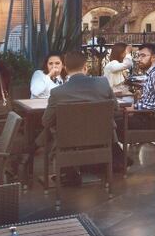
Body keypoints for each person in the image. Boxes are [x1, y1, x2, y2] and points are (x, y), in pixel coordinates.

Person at [42, 50, 124, 179]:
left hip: (69, 143)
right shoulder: (103, 84)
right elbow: (115, 109)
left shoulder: (58, 93)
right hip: (101, 140)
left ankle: (65, 170)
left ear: (65, 68)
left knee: (48, 132)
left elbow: (46, 121)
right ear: (85, 67)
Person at [128, 44, 155, 130]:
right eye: (139, 56)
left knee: (111, 122)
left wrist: (135, 107)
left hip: (150, 121)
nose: (139, 59)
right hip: (143, 115)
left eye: (143, 56)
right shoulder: (151, 73)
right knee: (112, 118)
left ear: (153, 57)